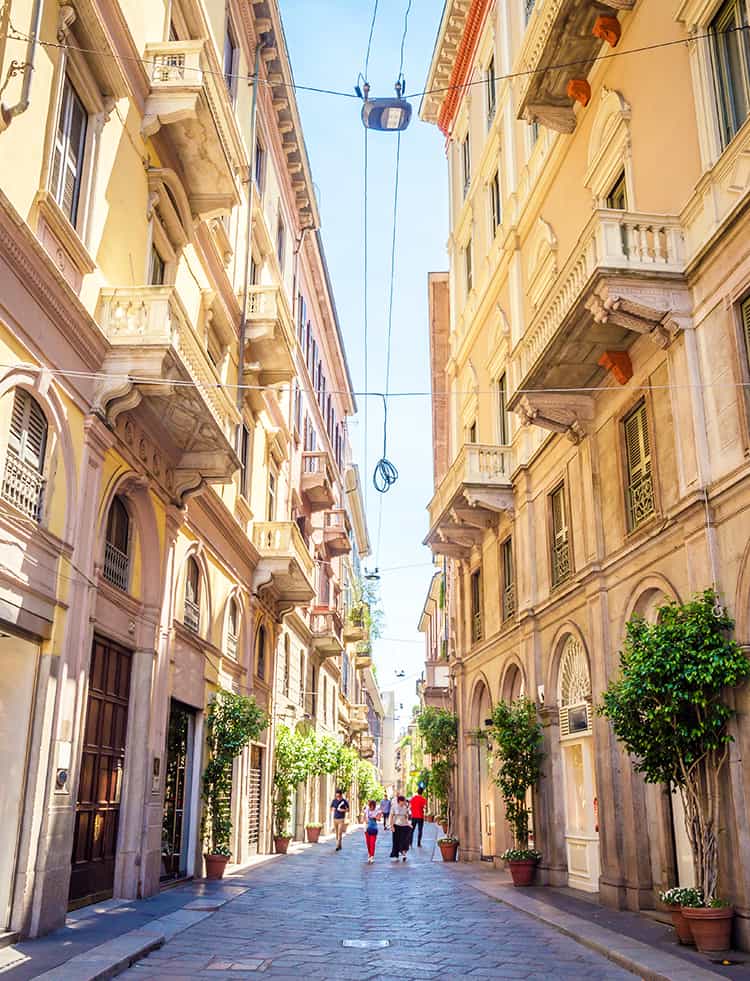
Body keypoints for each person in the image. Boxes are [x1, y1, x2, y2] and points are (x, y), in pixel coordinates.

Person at [390, 794, 412, 861]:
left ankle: (403, 853)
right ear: (399, 801)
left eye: (404, 801)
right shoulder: (394, 807)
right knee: (396, 841)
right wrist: (392, 826)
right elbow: (391, 817)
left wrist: (408, 824)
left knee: (404, 840)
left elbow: (406, 817)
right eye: (403, 801)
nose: (404, 802)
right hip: (396, 825)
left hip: (404, 826)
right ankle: (396, 854)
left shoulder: (405, 808)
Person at [363, 799, 381, 864]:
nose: (372, 808)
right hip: (366, 828)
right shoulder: (366, 810)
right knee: (368, 843)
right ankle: (370, 854)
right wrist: (366, 820)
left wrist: (375, 817)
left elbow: (379, 819)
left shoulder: (377, 811)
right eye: (371, 806)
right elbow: (364, 818)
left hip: (374, 828)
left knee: (372, 843)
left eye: (373, 807)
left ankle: (372, 856)